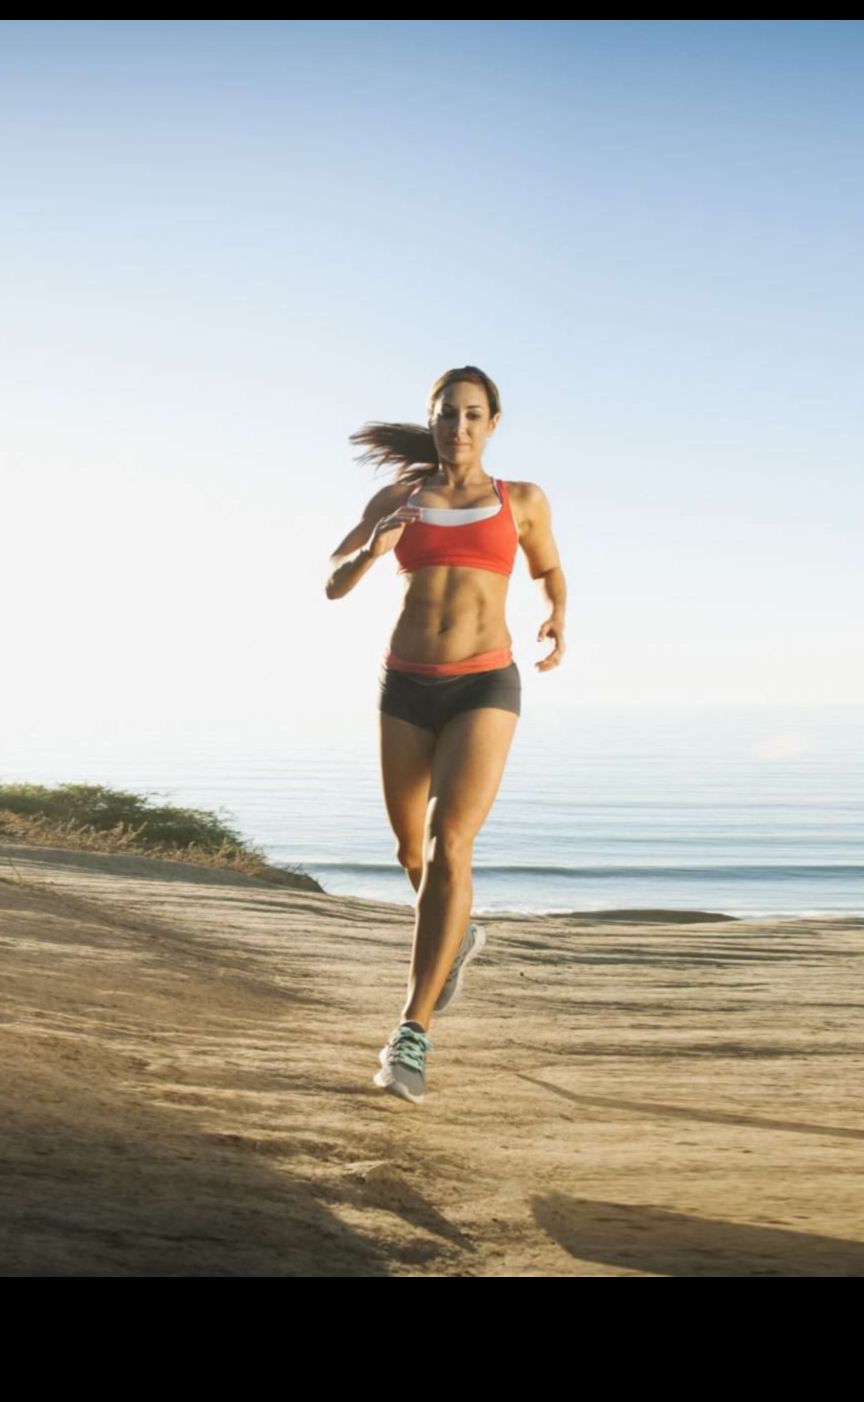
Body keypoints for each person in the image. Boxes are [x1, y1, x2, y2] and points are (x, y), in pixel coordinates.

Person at [324, 366, 566, 1104]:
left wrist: (558, 613)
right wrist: (373, 546)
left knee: (449, 842)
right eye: (446, 415)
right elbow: (334, 581)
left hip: (485, 684)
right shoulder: (399, 499)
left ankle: (412, 1032)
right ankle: (455, 937)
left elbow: (549, 567)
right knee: (409, 851)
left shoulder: (519, 499)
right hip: (406, 687)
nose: (458, 427)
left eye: (471, 415)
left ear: (493, 423)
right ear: (431, 423)